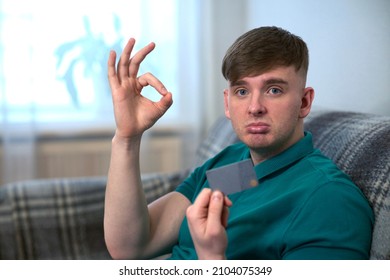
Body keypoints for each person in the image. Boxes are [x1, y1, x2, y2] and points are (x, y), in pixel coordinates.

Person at [104, 26, 374, 260]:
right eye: (242, 91)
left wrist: (213, 259)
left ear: (304, 102)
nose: (255, 107)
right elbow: (132, 246)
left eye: (274, 90)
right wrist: (127, 137)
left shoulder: (328, 200)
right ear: (228, 103)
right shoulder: (236, 167)